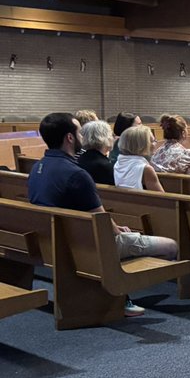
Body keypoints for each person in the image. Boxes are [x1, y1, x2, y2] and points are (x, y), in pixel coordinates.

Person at [27, 113, 177, 316]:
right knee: (170, 246)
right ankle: (117, 289)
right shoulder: (76, 174)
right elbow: (102, 222)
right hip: (88, 245)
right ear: (70, 138)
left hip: (54, 243)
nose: (83, 136)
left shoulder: (38, 167)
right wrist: (119, 231)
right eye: (79, 131)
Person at [114, 125, 166, 192]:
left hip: (123, 201)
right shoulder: (146, 169)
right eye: (153, 141)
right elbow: (162, 198)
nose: (155, 143)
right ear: (142, 145)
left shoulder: (118, 163)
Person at [77, 120, 116, 186]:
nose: (113, 138)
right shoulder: (105, 166)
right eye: (111, 135)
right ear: (104, 138)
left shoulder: (80, 159)